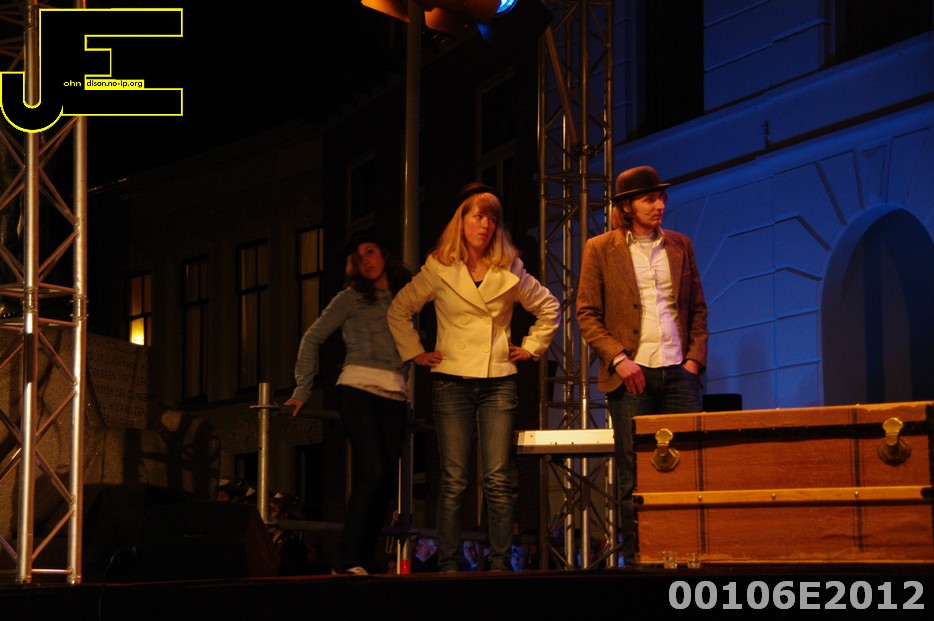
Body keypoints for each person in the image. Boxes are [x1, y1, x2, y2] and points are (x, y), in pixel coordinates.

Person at [388, 183, 560, 573]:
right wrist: (416, 352)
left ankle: (499, 565)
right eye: (478, 216)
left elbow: (549, 307)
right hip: (451, 381)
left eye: (492, 218)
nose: (485, 225)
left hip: (498, 379)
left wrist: (531, 348)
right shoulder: (439, 267)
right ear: (461, 221)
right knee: (454, 479)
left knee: (497, 479)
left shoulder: (510, 267)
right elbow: (400, 308)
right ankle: (449, 565)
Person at [576, 165, 708, 566]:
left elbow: (697, 309)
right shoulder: (600, 248)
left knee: (689, 468)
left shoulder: (680, 245)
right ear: (627, 206)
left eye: (661, 197)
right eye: (650, 198)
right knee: (634, 474)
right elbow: (587, 314)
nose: (659, 205)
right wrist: (619, 359)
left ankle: (689, 554)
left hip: (679, 372)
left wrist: (693, 361)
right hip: (632, 374)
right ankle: (641, 559)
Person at [285, 231, 413, 576]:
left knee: (384, 482)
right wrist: (302, 389)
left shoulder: (406, 298)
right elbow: (312, 337)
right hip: (357, 389)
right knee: (372, 471)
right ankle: (347, 560)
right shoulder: (351, 297)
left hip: (395, 396)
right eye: (358, 257)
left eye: (370, 252)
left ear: (384, 255)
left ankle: (365, 560)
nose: (366, 260)